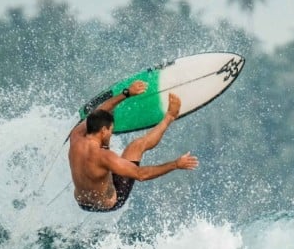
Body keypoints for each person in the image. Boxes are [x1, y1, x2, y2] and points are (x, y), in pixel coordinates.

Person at [68, 80, 198, 212]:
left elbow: (98, 111)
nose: (111, 134)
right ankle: (170, 117)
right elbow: (140, 174)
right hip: (108, 203)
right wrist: (176, 164)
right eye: (111, 131)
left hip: (83, 202)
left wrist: (126, 93)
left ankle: (104, 163)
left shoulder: (75, 136)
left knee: (105, 166)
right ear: (103, 131)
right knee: (137, 145)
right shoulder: (104, 157)